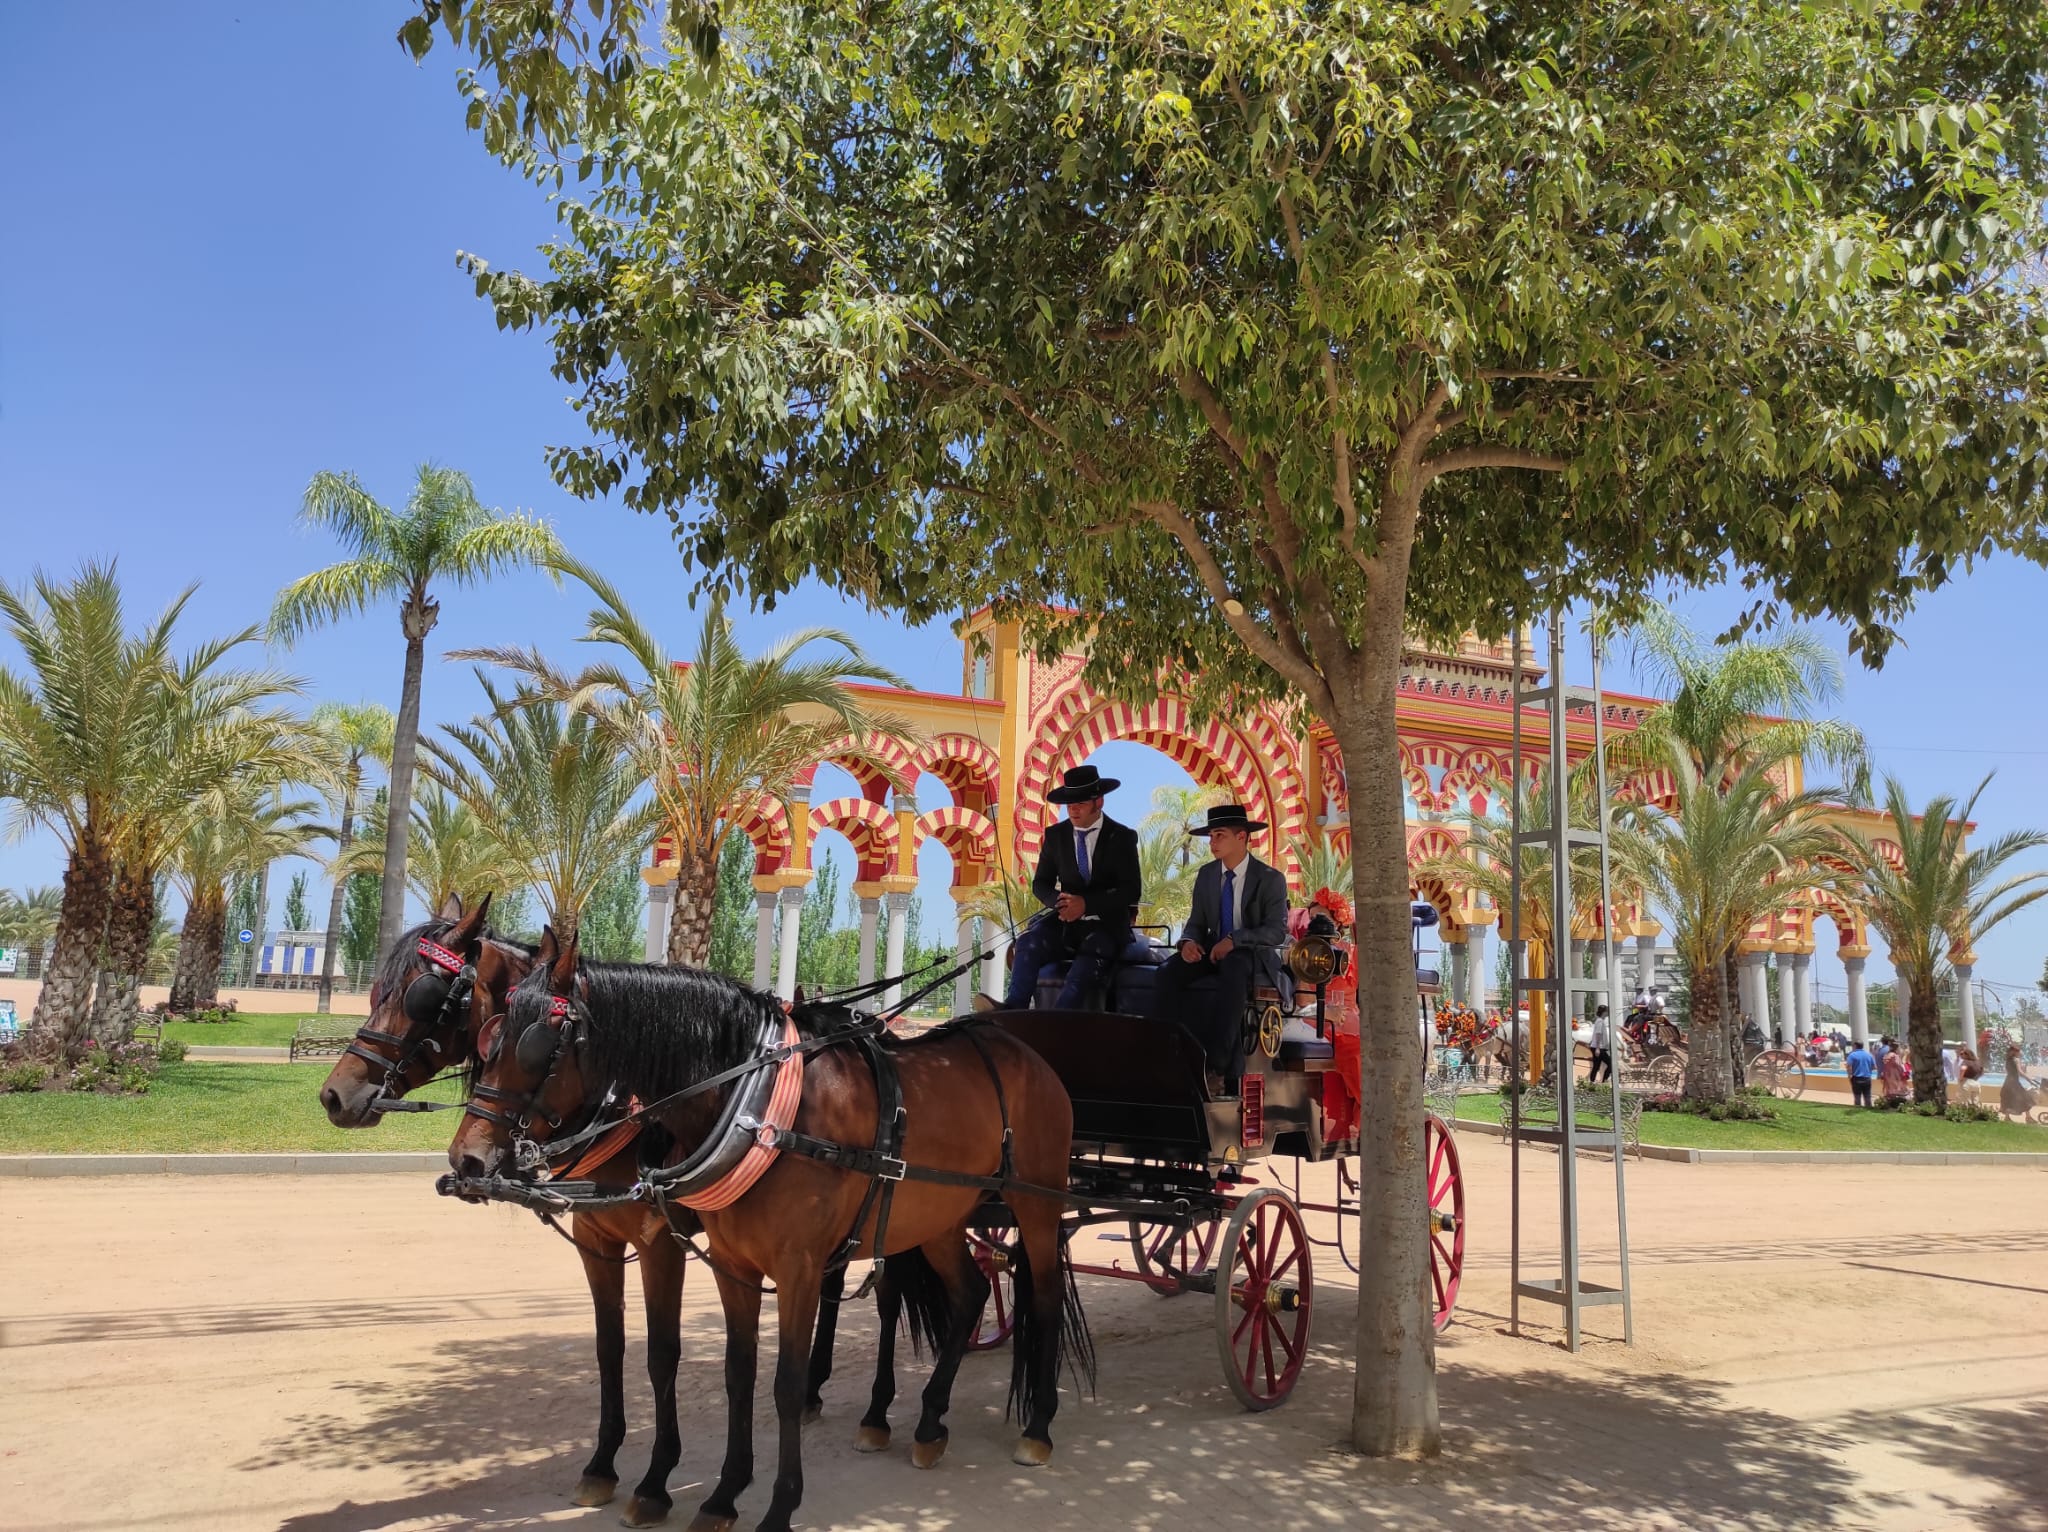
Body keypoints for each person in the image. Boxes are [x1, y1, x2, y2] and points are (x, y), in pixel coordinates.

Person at [1149, 804, 1288, 1093]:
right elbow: (1196, 923)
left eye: (1219, 835)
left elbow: (1275, 931)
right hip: (1212, 949)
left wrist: (1236, 940)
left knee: (1234, 966)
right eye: (1211, 836)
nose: (1212, 843)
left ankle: (1217, 1065)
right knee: (1165, 973)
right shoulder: (1207, 875)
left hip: (1253, 955)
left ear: (1242, 838)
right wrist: (1187, 943)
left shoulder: (1270, 879)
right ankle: (1166, 1054)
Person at [997, 764, 1142, 1010]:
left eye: (1081, 803)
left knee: (1085, 967)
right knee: (1028, 942)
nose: (1073, 809)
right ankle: (1013, 1009)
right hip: (1065, 926)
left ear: (1099, 802)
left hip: (1107, 929)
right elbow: (1040, 883)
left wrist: (1086, 905)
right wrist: (1059, 903)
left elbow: (1131, 890)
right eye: (1069, 803)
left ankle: (1058, 1021)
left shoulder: (1122, 837)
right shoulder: (1055, 836)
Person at [1844, 1039, 1876, 1108]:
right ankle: (1869, 1109)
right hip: (1867, 1078)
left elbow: (1849, 1067)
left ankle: (1857, 1108)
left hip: (1856, 1079)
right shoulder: (1869, 1055)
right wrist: (1867, 1069)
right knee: (1867, 1096)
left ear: (1855, 1046)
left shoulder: (1852, 1055)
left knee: (1857, 1097)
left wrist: (1849, 1076)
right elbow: (1874, 1067)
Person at [1587, 1003, 1613, 1086]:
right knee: (1610, 1064)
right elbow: (1598, 1034)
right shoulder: (1600, 1022)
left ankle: (1592, 1081)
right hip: (1599, 1047)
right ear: (1604, 1012)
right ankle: (1604, 1081)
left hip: (1598, 1047)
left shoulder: (1599, 1021)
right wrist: (1598, 1048)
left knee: (1596, 1065)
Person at [1880, 1040, 1911, 1104]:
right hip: (1895, 1075)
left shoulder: (1887, 1055)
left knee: (1890, 1089)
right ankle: (1896, 1103)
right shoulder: (1895, 1056)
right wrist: (1903, 1071)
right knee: (1897, 1089)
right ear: (1896, 1048)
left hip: (1888, 1075)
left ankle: (1890, 1102)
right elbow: (1898, 1065)